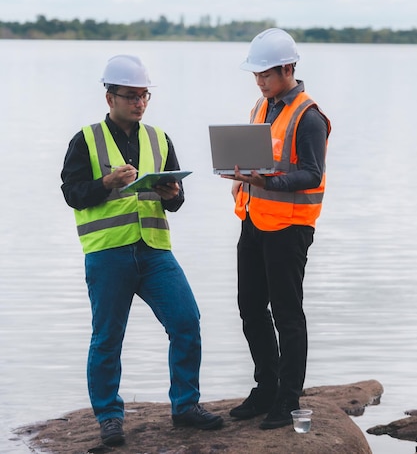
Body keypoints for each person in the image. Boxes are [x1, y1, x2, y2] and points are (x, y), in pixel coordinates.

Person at [61, 54, 224, 447]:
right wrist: (106, 182)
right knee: (107, 338)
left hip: (154, 252)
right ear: (110, 97)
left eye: (144, 95)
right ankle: (109, 418)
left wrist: (172, 194)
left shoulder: (159, 139)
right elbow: (72, 194)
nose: (139, 103)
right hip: (108, 253)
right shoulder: (85, 140)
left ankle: (185, 407)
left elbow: (176, 201)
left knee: (186, 322)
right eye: (131, 95)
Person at [222, 29, 331, 430]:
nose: (259, 82)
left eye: (265, 74)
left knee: (287, 313)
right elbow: (265, 160)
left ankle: (288, 398)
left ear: (288, 68)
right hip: (252, 220)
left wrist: (268, 182)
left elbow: (311, 173)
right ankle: (265, 387)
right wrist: (241, 175)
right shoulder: (260, 107)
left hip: (290, 229)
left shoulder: (309, 116)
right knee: (249, 306)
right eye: (255, 75)